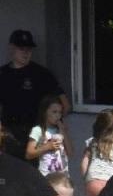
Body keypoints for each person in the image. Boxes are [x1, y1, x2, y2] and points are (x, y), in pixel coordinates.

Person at [0, 30, 67, 159]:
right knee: (11, 175)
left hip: (37, 134)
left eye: (29, 49)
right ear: (12, 48)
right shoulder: (2, 74)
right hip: (9, 134)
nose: (26, 52)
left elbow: (64, 104)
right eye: (21, 48)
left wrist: (51, 129)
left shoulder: (42, 74)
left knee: (36, 176)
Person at [25, 93, 70, 176]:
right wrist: (47, 147)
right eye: (54, 112)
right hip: (46, 176)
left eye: (60, 112)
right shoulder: (37, 130)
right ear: (45, 112)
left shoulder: (60, 129)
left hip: (63, 176)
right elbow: (29, 154)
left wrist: (63, 131)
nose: (58, 115)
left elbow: (70, 153)